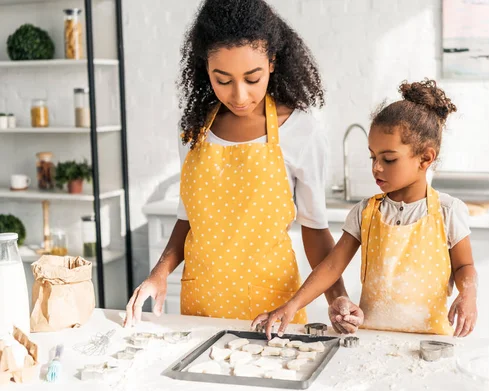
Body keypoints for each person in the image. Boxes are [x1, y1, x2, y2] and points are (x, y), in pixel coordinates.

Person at [124, 0, 350, 327]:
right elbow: (187, 220)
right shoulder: (193, 130)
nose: (240, 95)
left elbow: (316, 231)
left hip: (273, 308)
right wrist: (158, 274)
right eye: (223, 80)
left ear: (272, 63)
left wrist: (337, 296)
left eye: (252, 78)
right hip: (201, 306)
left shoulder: (300, 130)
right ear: (206, 70)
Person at [252, 79, 478, 339]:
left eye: (389, 159)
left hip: (431, 340)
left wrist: (467, 294)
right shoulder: (365, 212)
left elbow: (464, 267)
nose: (376, 167)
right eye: (373, 157)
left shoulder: (448, 211)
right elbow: (331, 267)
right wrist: (291, 306)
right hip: (372, 338)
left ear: (425, 158)